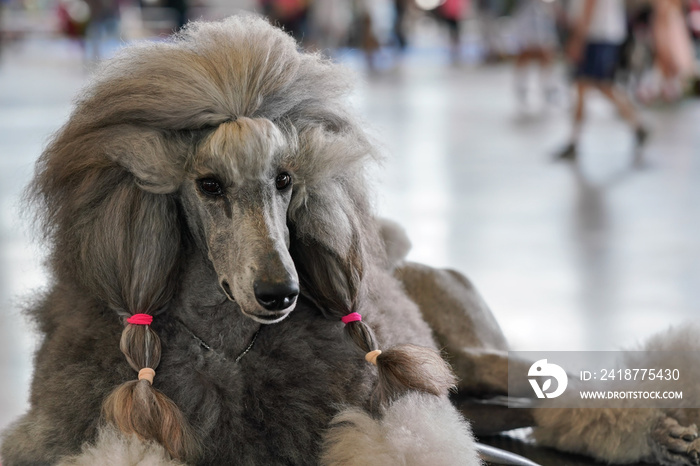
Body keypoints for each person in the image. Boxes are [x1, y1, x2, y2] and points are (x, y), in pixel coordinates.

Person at [558, 0, 648, 161]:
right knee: (586, 87)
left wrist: (578, 39)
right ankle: (574, 140)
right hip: (603, 36)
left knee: (598, 86)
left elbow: (589, 6)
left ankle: (638, 125)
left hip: (597, 37)